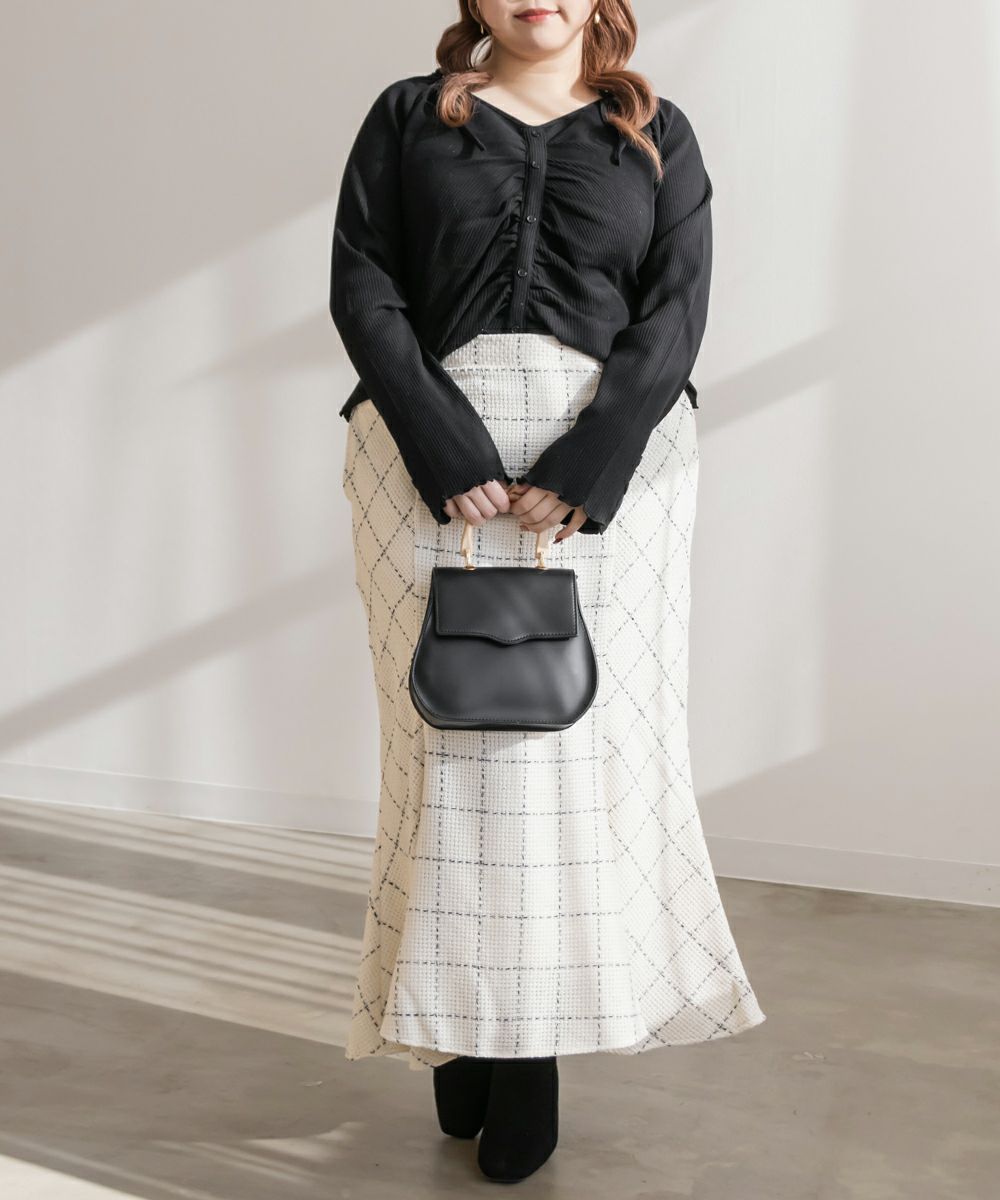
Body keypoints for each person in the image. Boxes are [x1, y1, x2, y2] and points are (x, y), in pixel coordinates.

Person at [330, 0, 765, 1184]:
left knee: (575, 764)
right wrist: (442, 445)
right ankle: (458, 1022)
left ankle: (528, 1054)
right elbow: (364, 288)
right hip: (426, 465)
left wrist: (590, 462)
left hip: (608, 479)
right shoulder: (407, 118)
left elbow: (676, 313)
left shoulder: (657, 133)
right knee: (448, 754)